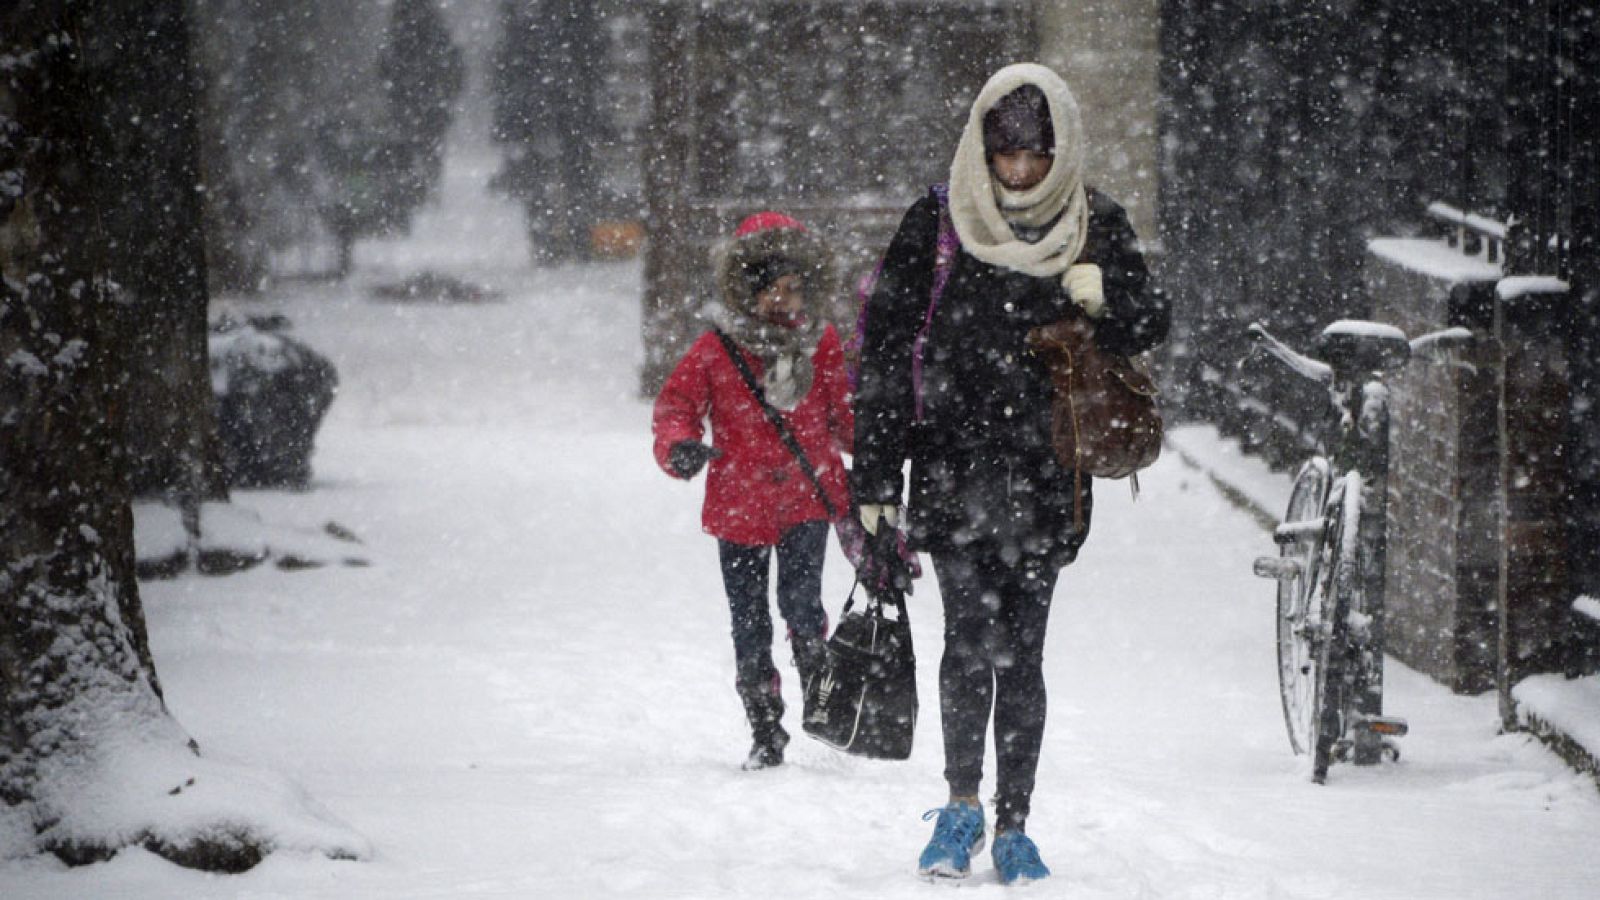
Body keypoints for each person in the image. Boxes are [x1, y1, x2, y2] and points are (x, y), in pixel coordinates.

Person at [851, 63, 1169, 883]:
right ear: (982, 149)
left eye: (1034, 155)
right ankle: (959, 810)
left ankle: (1015, 823)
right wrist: (877, 478)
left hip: (1046, 470)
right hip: (954, 463)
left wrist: (1105, 301)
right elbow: (886, 347)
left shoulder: (1093, 221)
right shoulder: (942, 218)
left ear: (1059, 149)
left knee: (1023, 651)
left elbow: (1152, 322)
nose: (1020, 172)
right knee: (967, 640)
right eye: (1005, 155)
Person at [652, 212, 853, 771]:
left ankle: (820, 695)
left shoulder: (822, 343)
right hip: (738, 506)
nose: (784, 302)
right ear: (748, 291)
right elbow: (676, 407)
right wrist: (679, 445)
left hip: (806, 500)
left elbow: (843, 416)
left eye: (794, 288)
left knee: (801, 602)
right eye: (772, 289)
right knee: (748, 620)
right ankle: (765, 724)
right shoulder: (717, 350)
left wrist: (887, 445)